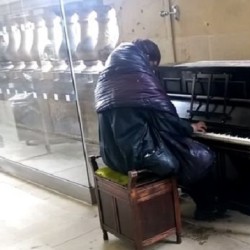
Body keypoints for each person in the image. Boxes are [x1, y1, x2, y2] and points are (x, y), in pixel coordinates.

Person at [94, 39, 226, 220]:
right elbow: (166, 121)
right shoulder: (139, 80)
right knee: (200, 157)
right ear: (147, 58)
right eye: (153, 66)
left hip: (113, 155)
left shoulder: (110, 78)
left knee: (187, 154)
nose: (153, 71)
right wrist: (190, 127)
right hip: (139, 156)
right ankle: (207, 209)